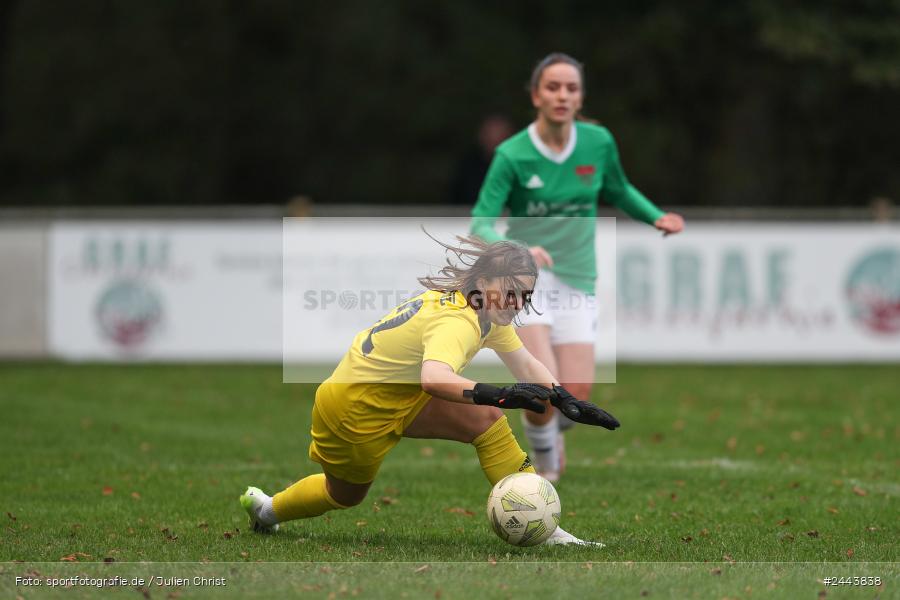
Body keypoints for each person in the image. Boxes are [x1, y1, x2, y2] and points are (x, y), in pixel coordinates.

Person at [240, 235, 619, 546]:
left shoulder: (484, 310)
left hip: (396, 396)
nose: (517, 304)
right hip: (355, 409)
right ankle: (267, 510)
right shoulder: (458, 320)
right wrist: (500, 393)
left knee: (487, 422)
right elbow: (434, 378)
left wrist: (563, 398)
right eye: (512, 292)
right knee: (345, 495)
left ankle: (546, 530)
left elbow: (525, 363)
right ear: (485, 280)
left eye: (526, 296)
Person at [470, 53, 684, 482]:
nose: (562, 95)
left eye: (571, 88)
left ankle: (551, 430)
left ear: (580, 97)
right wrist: (518, 249)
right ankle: (545, 466)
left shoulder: (597, 143)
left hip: (577, 277)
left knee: (575, 394)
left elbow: (618, 189)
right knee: (543, 388)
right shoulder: (512, 154)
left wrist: (655, 216)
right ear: (536, 96)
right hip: (525, 282)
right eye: (552, 87)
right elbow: (480, 223)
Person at [448, 114, 515, 205]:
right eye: (489, 135)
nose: (494, 141)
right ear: (481, 136)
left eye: (500, 136)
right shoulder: (468, 167)